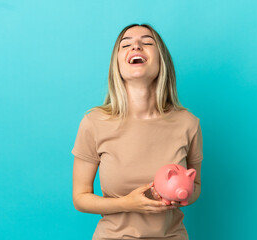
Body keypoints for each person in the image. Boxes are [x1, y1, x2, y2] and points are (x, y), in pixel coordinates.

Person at [71, 23, 203, 240]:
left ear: (162, 61)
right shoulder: (94, 122)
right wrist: (127, 203)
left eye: (147, 42)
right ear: (118, 65)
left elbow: (196, 185)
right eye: (126, 45)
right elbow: (80, 197)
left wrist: (184, 194)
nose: (136, 47)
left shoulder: (188, 123)